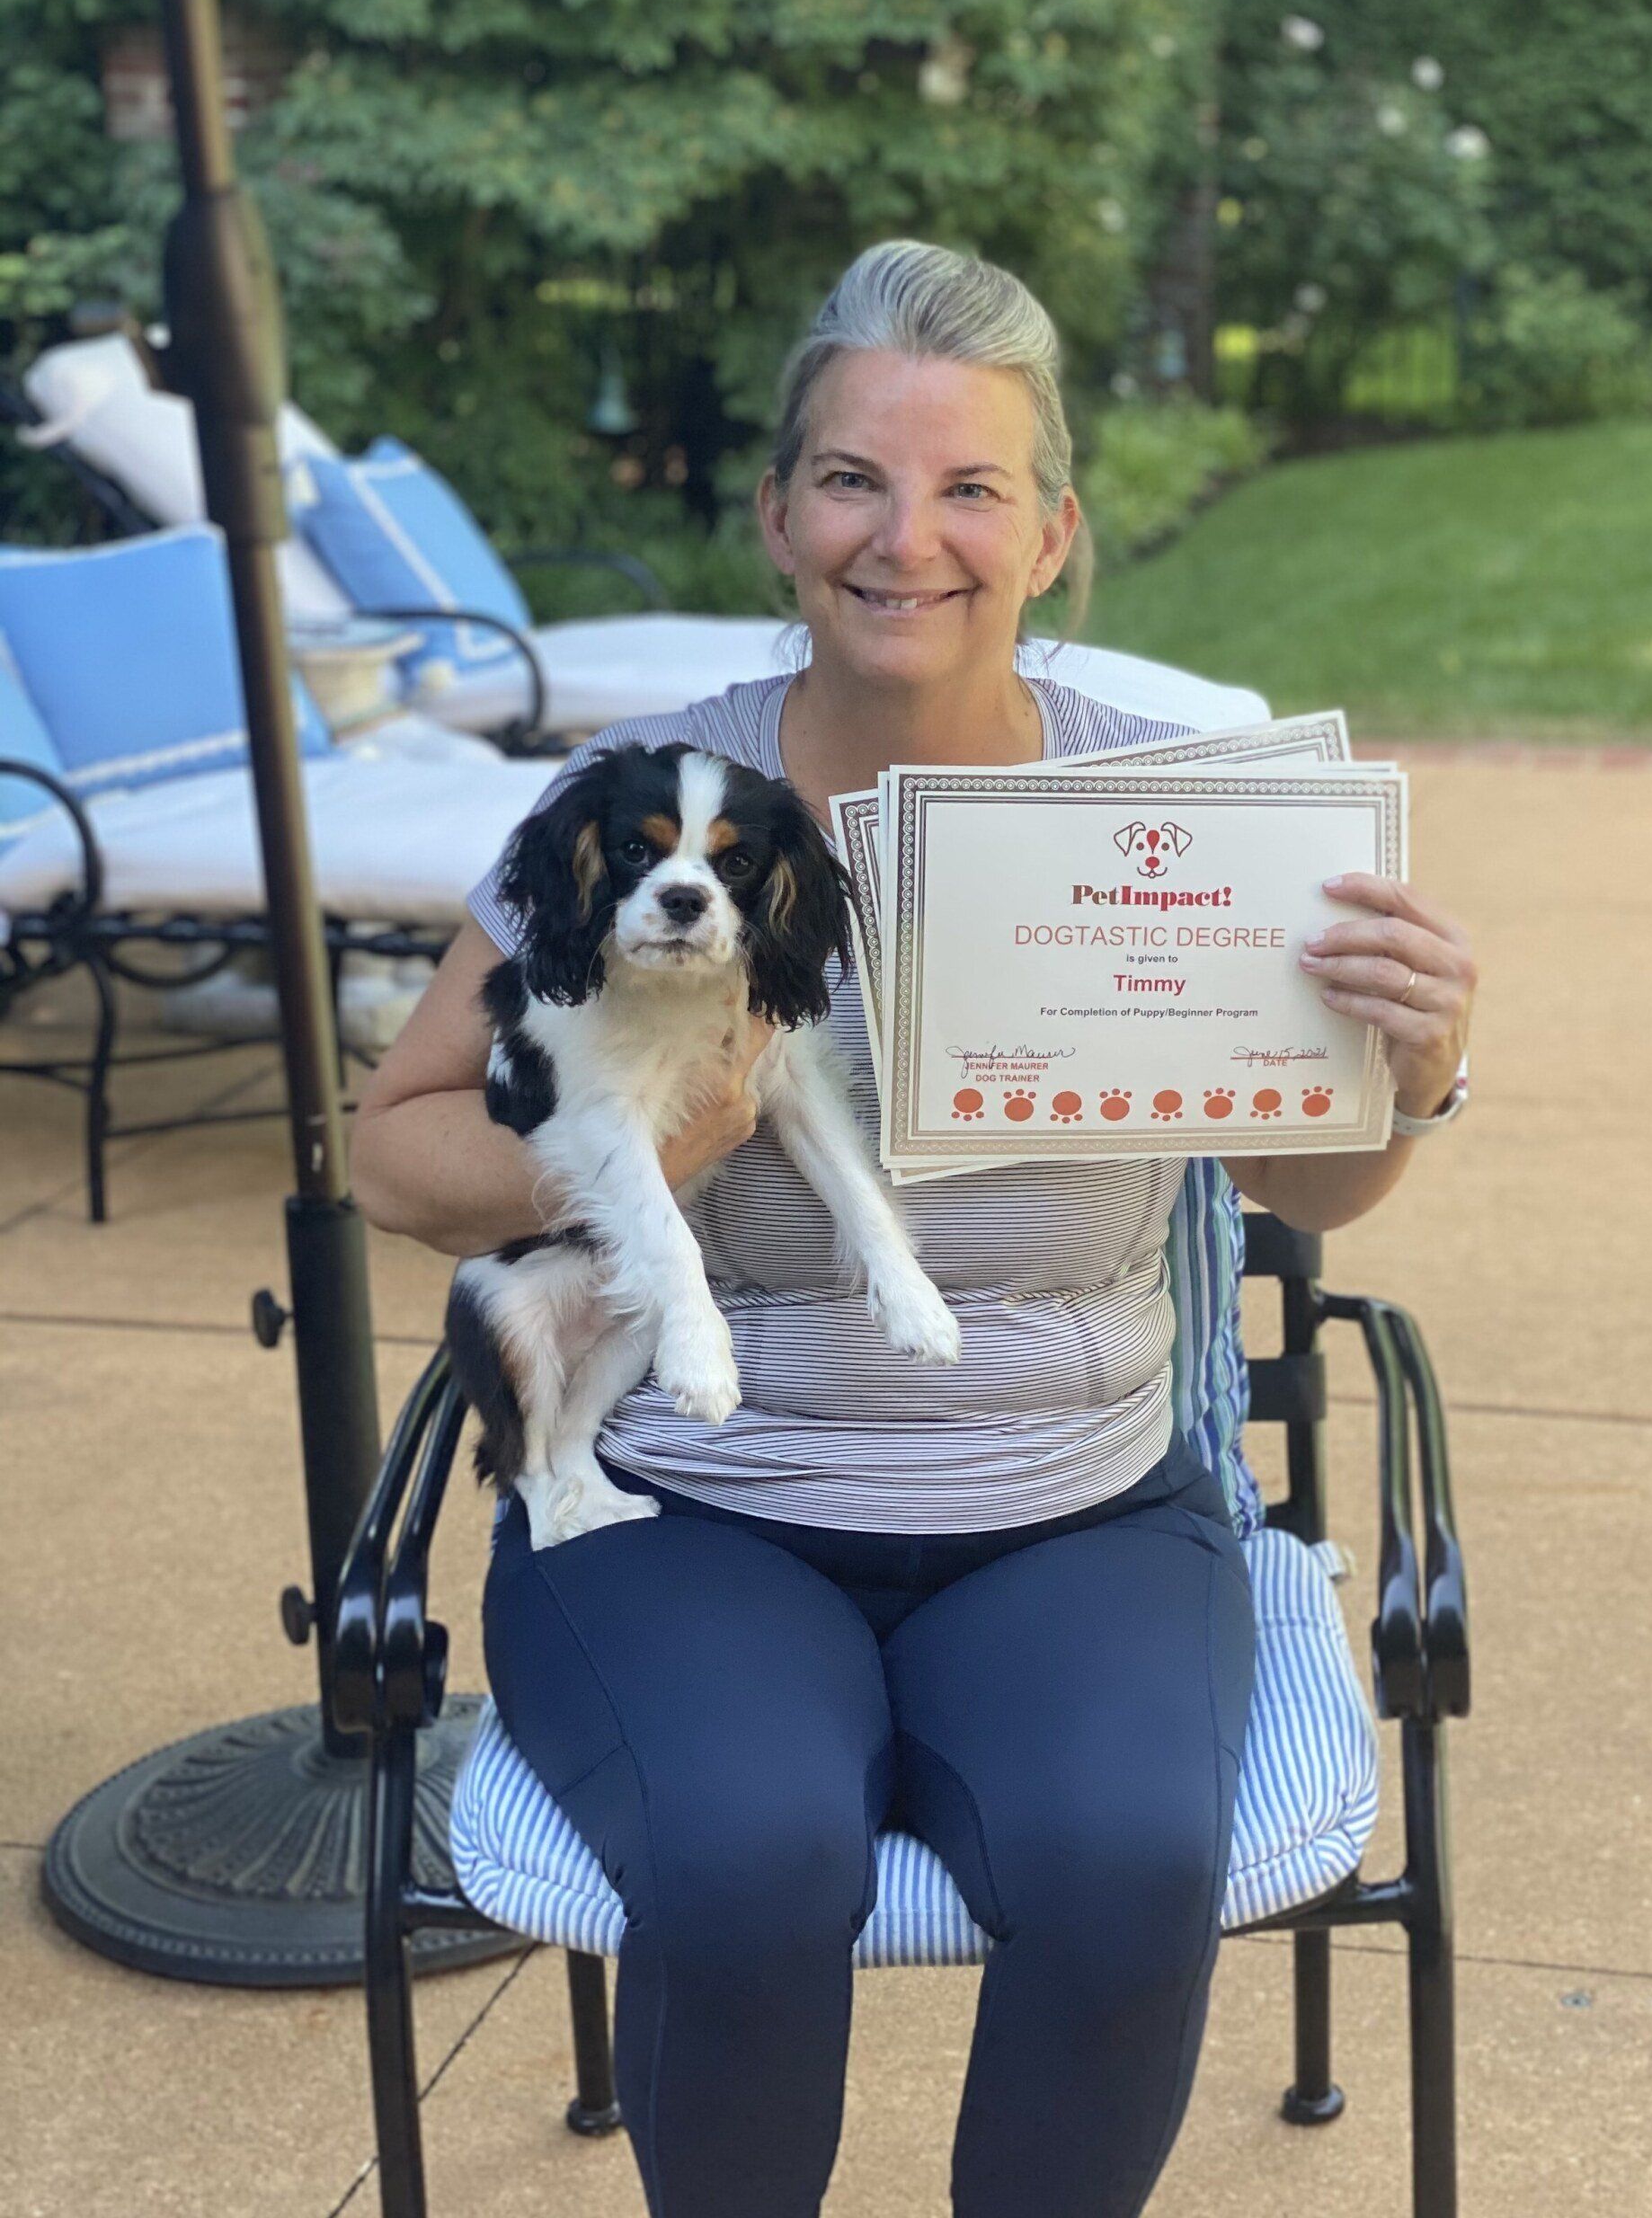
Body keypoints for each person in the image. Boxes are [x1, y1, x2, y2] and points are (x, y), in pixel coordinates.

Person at [351, 240, 1476, 2218]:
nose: (909, 538)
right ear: (781, 512)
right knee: (752, 1849)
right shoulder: (646, 808)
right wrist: (657, 1144)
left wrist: (1412, 1066)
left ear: (1051, 535)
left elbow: (1308, 1192)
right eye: (856, 479)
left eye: (970, 489)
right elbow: (397, 1145)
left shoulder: (1174, 826)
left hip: (1079, 1499)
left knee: (1132, 1856)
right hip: (694, 1500)